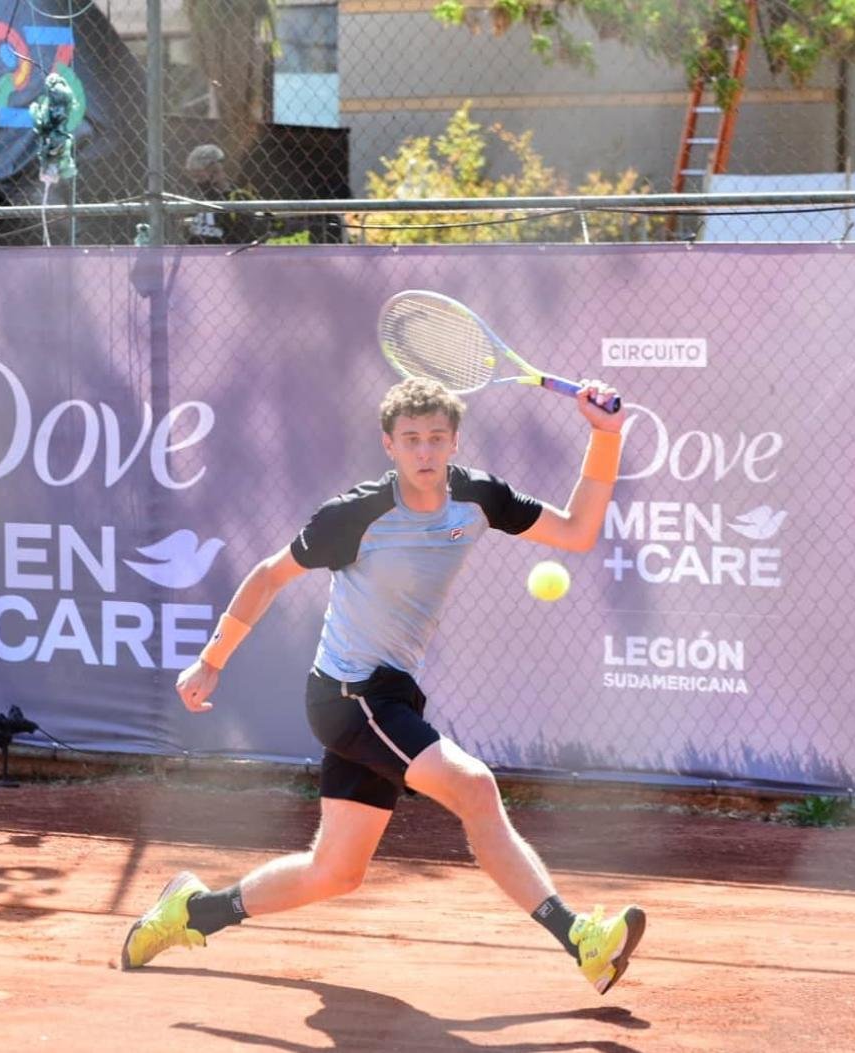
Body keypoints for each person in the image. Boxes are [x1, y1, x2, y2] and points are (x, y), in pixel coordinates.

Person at [122, 375, 646, 995]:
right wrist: (213, 658)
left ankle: (192, 912)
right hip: (350, 696)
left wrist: (604, 435)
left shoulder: (479, 497)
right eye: (411, 439)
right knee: (475, 788)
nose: (425, 452)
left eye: (436, 439)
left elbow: (577, 531)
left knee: (335, 872)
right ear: (389, 445)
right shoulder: (356, 514)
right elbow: (269, 575)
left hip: (388, 695)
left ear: (454, 443)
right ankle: (579, 937)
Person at [180, 143, 268, 246]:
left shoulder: (238, 197)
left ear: (216, 170)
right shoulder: (195, 196)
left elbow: (246, 237)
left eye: (199, 175)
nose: (195, 181)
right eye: (193, 176)